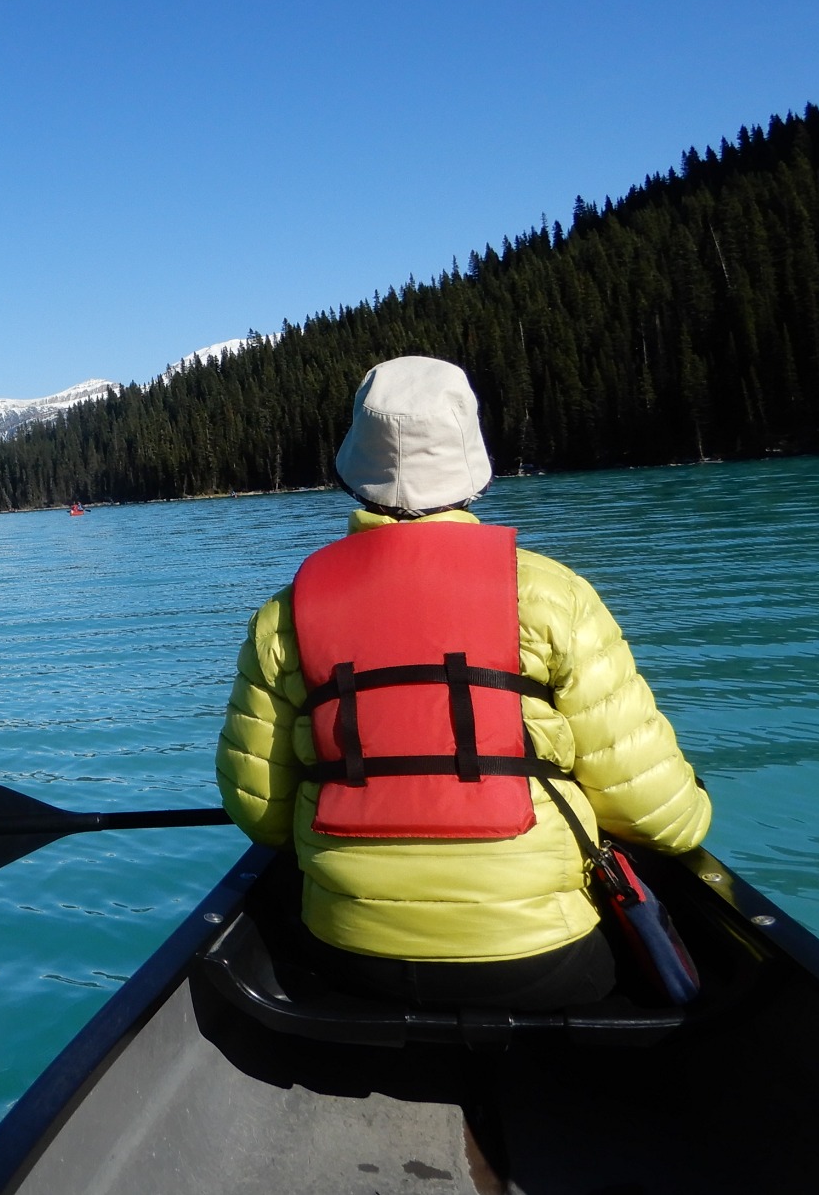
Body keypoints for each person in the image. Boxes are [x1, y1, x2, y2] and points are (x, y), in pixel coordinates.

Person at [215, 355, 712, 1009]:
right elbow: (662, 821)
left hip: (347, 952)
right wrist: (692, 806)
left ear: (355, 468)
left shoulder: (285, 617)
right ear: (471, 465)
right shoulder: (551, 596)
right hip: (543, 962)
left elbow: (259, 811)